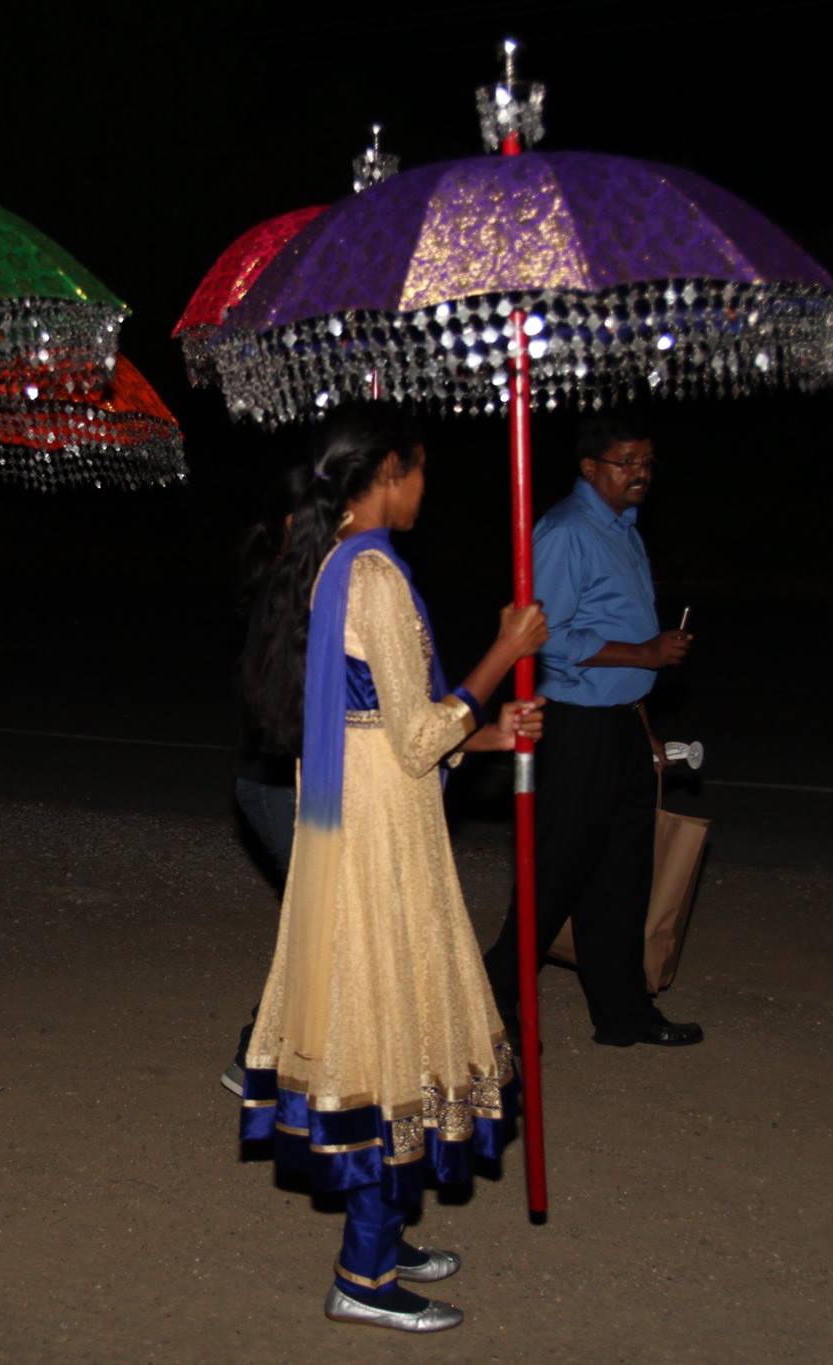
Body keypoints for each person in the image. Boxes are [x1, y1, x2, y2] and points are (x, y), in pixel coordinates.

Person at [239, 403, 545, 1334]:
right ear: (386, 471)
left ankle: (388, 1230)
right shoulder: (370, 570)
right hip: (378, 837)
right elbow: (413, 734)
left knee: (390, 1011)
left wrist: (483, 735)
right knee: (389, 1024)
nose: (424, 488)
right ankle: (363, 1273)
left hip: (367, 812)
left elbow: (375, 717)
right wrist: (505, 651)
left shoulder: (332, 561)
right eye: (417, 470)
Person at [481, 415, 704, 1048]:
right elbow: (544, 639)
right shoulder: (565, 533)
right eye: (625, 461)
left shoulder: (622, 529)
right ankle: (492, 998)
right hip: (574, 727)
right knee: (557, 871)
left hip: (620, 726)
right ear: (589, 467)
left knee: (623, 874)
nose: (640, 473)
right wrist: (645, 655)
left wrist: (644, 723)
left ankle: (624, 1013)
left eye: (647, 461)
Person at [221, 463, 310, 1096]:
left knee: (324, 917)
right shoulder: (293, 590)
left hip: (277, 778)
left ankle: (282, 1053)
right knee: (322, 919)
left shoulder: (300, 585)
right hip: (280, 784)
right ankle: (257, 1053)